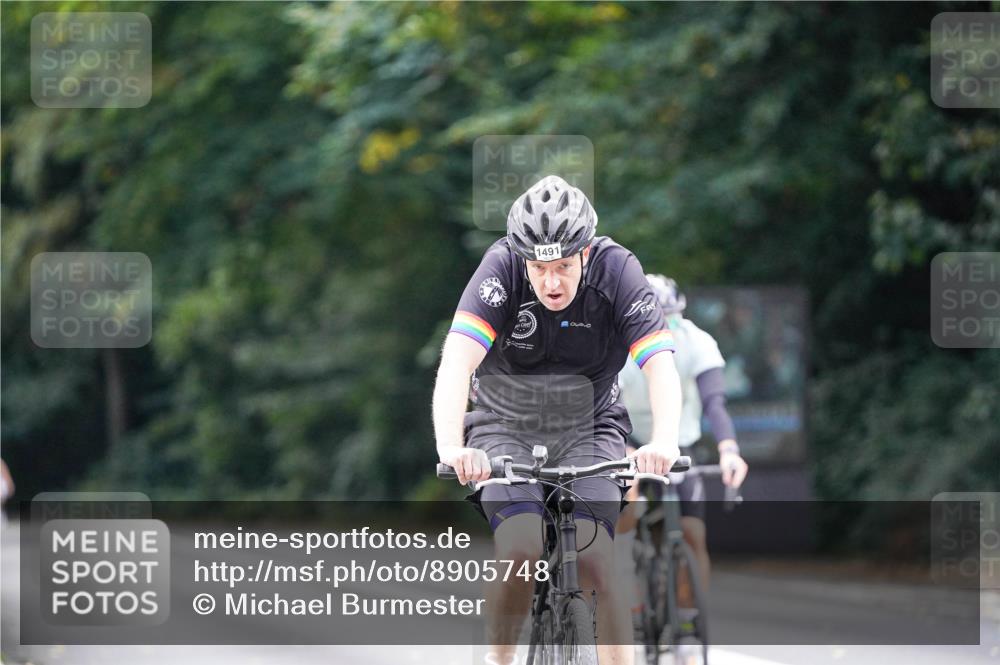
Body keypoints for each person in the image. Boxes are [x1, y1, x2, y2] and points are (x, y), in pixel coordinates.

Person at [433, 175, 684, 665]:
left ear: (585, 255)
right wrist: (451, 446)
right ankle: (498, 660)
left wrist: (666, 440)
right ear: (522, 258)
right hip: (503, 426)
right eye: (540, 268)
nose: (551, 282)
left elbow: (660, 366)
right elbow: (456, 363)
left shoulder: (618, 271)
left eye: (564, 267)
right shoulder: (500, 268)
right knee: (521, 549)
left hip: (591, 428)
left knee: (596, 563)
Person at [616, 275, 749, 594]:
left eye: (672, 317)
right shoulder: (617, 345)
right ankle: (622, 561)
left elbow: (714, 401)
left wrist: (728, 449)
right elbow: (606, 404)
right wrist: (622, 447)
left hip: (677, 442)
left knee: (693, 533)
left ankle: (688, 618)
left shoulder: (697, 341)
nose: (665, 327)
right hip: (630, 437)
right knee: (627, 487)